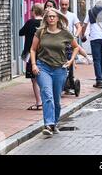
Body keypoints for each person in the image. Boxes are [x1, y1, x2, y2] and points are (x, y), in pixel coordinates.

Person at [30, 8, 80, 137]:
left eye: (53, 16)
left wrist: (71, 60)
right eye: (49, 16)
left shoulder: (65, 33)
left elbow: (76, 47)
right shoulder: (40, 32)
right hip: (43, 67)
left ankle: (54, 123)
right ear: (46, 19)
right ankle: (49, 124)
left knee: (56, 99)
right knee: (47, 95)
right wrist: (34, 65)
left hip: (60, 68)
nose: (51, 18)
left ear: (58, 18)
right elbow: (33, 49)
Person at [60, 0, 90, 96]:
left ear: (68, 5)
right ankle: (62, 83)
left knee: (69, 62)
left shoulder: (72, 15)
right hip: (58, 42)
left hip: (69, 43)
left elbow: (79, 26)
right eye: (62, 4)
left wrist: (76, 36)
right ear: (60, 4)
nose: (64, 6)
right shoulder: (56, 14)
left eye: (66, 5)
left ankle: (69, 82)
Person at [19, 3, 44, 110]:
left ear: (34, 11)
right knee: (44, 76)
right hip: (44, 53)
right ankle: (45, 100)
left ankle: (39, 102)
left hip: (31, 53)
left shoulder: (30, 22)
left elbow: (21, 32)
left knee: (34, 79)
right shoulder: (45, 23)